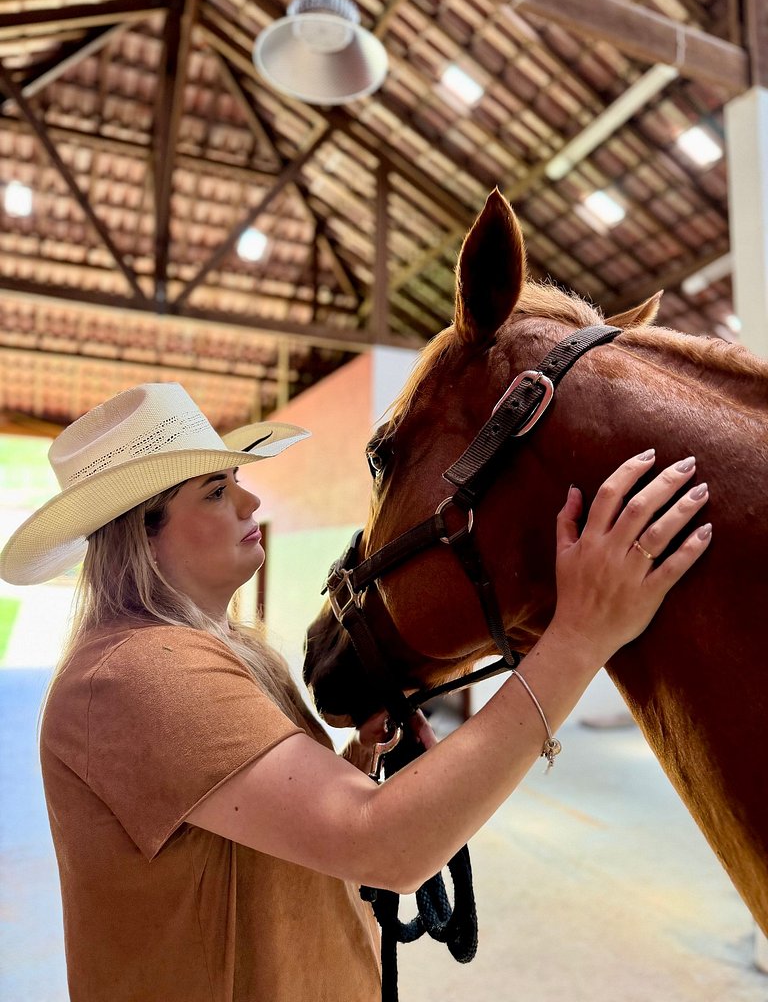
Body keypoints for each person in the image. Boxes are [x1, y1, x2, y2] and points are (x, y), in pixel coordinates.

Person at [0, 382, 712, 1002]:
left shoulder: (215, 654)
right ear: (143, 535)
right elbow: (387, 848)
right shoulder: (138, 673)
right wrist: (582, 636)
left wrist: (350, 768)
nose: (249, 497)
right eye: (216, 491)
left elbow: (247, 832)